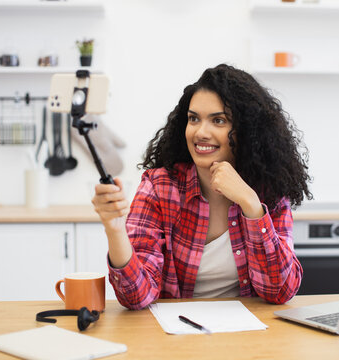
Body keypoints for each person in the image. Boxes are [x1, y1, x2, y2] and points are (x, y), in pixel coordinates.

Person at [92, 64, 312, 310]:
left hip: (250, 337)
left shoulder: (268, 189)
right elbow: (136, 297)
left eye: (219, 120)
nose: (200, 132)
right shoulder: (159, 187)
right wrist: (115, 231)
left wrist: (251, 205)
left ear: (247, 131)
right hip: (177, 335)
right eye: (193, 119)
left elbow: (280, 290)